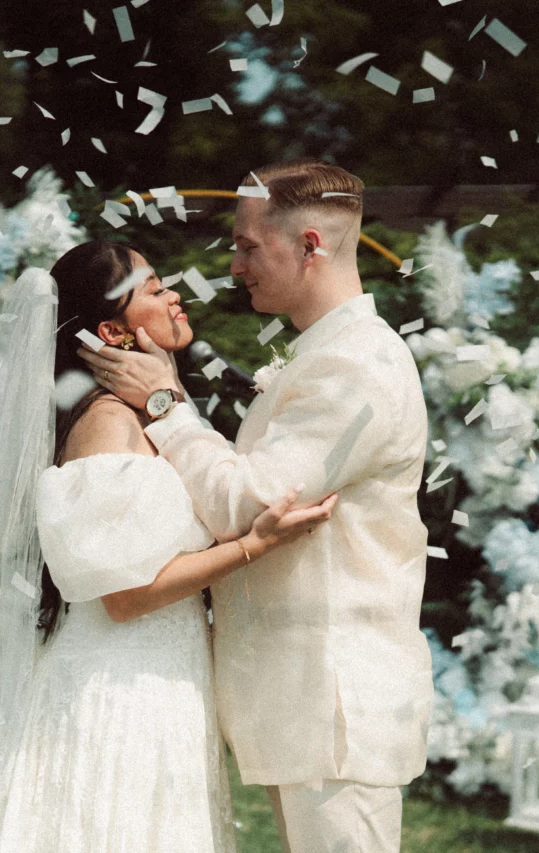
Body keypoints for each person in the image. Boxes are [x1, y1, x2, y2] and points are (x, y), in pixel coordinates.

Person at [77, 160, 433, 853]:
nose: (234, 266)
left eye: (246, 245)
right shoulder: (321, 357)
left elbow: (248, 503)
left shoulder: (356, 367)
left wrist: (164, 403)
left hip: (336, 701)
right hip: (299, 701)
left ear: (309, 245)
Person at [0, 240, 339, 853]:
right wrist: (254, 546)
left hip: (166, 680)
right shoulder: (107, 424)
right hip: (118, 689)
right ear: (112, 329)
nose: (175, 294)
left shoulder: (152, 418)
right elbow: (125, 597)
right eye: (155, 289)